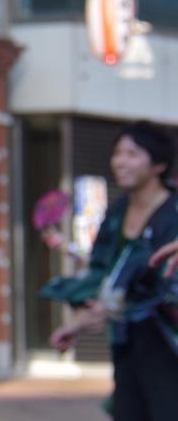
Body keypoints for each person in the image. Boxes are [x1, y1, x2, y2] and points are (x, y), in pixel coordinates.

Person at [44, 121, 178, 421]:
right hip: (127, 339)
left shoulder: (174, 211)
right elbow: (103, 273)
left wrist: (117, 302)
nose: (120, 161)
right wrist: (77, 321)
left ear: (159, 163)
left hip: (168, 341)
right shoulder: (117, 212)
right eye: (118, 152)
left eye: (132, 153)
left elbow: (163, 284)